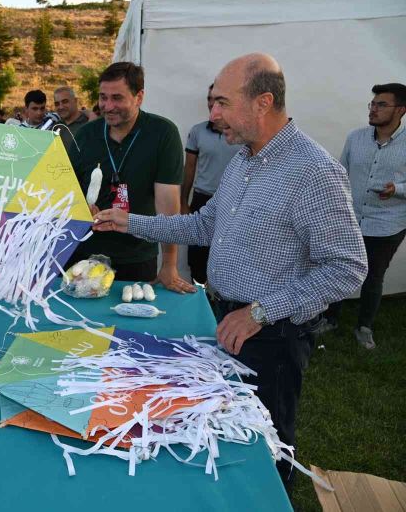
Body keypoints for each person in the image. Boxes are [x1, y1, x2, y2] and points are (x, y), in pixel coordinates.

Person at [92, 53, 367, 489]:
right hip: (228, 319)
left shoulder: (314, 172)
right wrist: (129, 221)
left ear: (263, 101)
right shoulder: (244, 159)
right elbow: (204, 224)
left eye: (221, 102)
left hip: (271, 337)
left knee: (266, 446)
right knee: (230, 435)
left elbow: (348, 268)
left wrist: (259, 312)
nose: (212, 114)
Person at [67, 62, 195, 292]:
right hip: (83, 254)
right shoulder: (85, 135)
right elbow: (67, 190)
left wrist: (169, 264)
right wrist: (79, 208)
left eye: (117, 98)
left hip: (137, 255)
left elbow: (168, 205)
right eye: (103, 97)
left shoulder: (162, 134)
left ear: (139, 97)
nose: (107, 106)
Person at [320, 83, 406, 348]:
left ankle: (364, 327)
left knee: (373, 275)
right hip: (350, 218)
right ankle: (330, 319)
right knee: (339, 267)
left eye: (382, 105)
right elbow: (341, 172)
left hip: (388, 223)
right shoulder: (355, 138)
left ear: (401, 110)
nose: (374, 109)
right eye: (373, 104)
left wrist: (398, 189)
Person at [181, 84, 243, 284]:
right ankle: (200, 297)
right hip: (203, 199)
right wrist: (183, 201)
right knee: (198, 255)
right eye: (209, 98)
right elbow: (189, 168)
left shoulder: (241, 132)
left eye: (218, 100)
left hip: (235, 201)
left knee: (230, 254)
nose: (212, 104)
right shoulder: (198, 131)